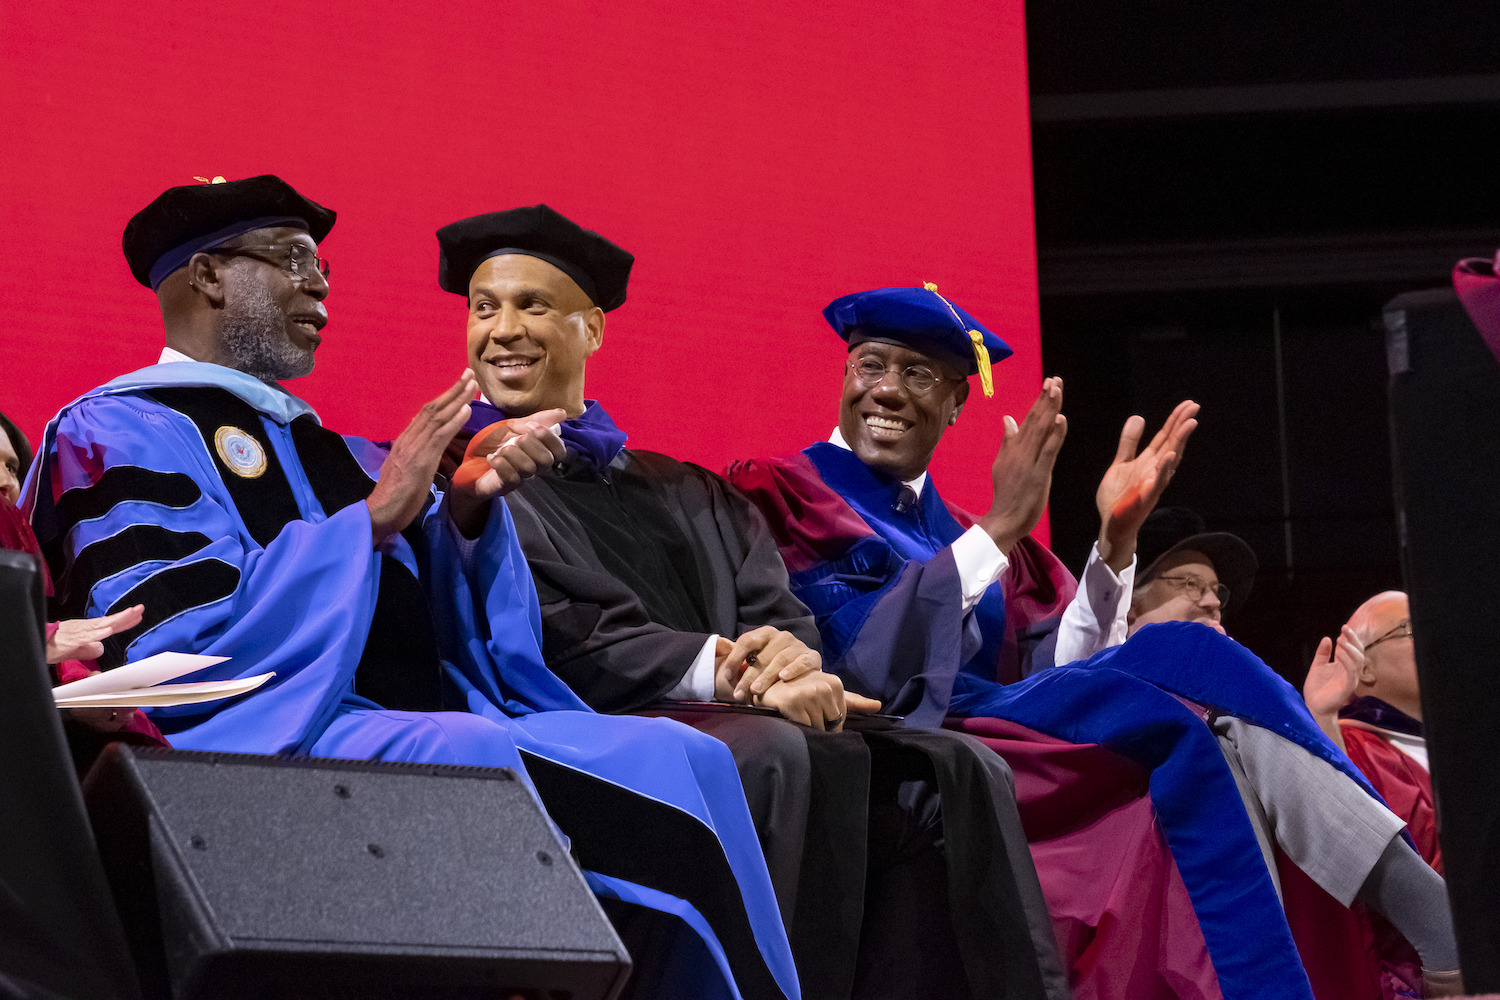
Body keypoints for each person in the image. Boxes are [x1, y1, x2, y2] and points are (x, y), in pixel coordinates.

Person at [22, 176, 798, 1000]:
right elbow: (174, 647)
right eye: (291, 259)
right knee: (567, 783)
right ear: (209, 276)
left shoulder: (333, 448)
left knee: (686, 754)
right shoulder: (116, 429)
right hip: (262, 735)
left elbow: (428, 619)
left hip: (382, 724)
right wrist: (373, 522)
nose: (319, 283)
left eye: (322, 264)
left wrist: (460, 512)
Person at [727, 287, 1460, 998]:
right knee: (1192, 684)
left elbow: (1054, 670)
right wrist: (997, 530)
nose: (887, 389)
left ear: (955, 404)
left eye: (918, 374)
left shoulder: (961, 528)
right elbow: (858, 660)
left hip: (1009, 735)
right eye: (871, 365)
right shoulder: (787, 495)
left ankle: (1412, 929)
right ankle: (1433, 925)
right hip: (906, 746)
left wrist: (1115, 541)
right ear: (845, 377)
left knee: (1211, 714)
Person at [433, 206, 1065, 1000]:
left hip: (718, 707)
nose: (502, 330)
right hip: (575, 718)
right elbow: (559, 631)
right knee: (773, 751)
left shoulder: (681, 486)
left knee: (950, 769)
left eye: (532, 305)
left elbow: (776, 609)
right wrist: (735, 673)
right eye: (484, 308)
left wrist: (788, 658)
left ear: (590, 329)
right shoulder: (458, 479)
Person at [1304, 590, 1439, 872]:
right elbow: (1347, 835)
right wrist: (1323, 720)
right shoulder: (1353, 747)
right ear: (1363, 668)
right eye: (1410, 628)